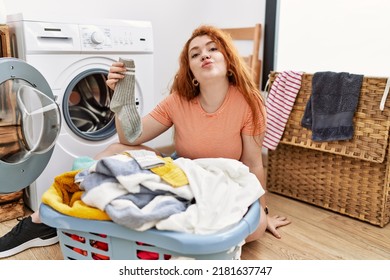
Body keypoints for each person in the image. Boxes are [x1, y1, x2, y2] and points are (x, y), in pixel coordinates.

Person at [0, 25, 290, 258]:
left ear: (227, 61)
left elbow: (253, 163)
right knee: (114, 151)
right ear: (191, 72)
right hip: (183, 174)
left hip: (223, 180)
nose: (205, 55)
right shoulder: (178, 101)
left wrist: (263, 213)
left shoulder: (249, 103)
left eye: (213, 48)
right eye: (195, 53)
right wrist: (119, 96)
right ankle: (45, 219)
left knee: (253, 232)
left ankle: (126, 226)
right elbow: (131, 137)